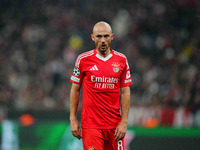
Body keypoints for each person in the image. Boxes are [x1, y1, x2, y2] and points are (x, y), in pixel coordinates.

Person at [69, 21, 132, 150]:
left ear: (112, 37)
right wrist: (73, 119)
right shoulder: (83, 59)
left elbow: (125, 92)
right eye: (99, 36)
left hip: (114, 126)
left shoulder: (122, 60)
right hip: (91, 125)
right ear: (92, 37)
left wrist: (124, 122)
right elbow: (75, 90)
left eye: (106, 36)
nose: (102, 40)